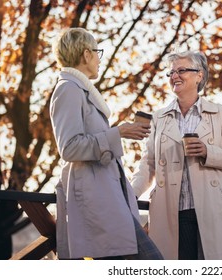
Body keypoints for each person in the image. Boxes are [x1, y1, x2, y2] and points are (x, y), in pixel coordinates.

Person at [50, 27, 163, 260]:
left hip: (109, 197)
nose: (99, 59)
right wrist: (117, 133)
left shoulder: (80, 90)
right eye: (97, 52)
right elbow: (69, 147)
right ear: (86, 55)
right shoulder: (68, 90)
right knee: (151, 262)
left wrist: (118, 133)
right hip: (97, 201)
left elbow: (92, 140)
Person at [131, 50, 222, 260]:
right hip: (171, 211)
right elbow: (148, 164)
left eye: (182, 70)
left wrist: (208, 152)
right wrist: (130, 195)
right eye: (171, 73)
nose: (175, 76)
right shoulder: (159, 118)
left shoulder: (221, 114)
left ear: (200, 75)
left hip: (213, 208)